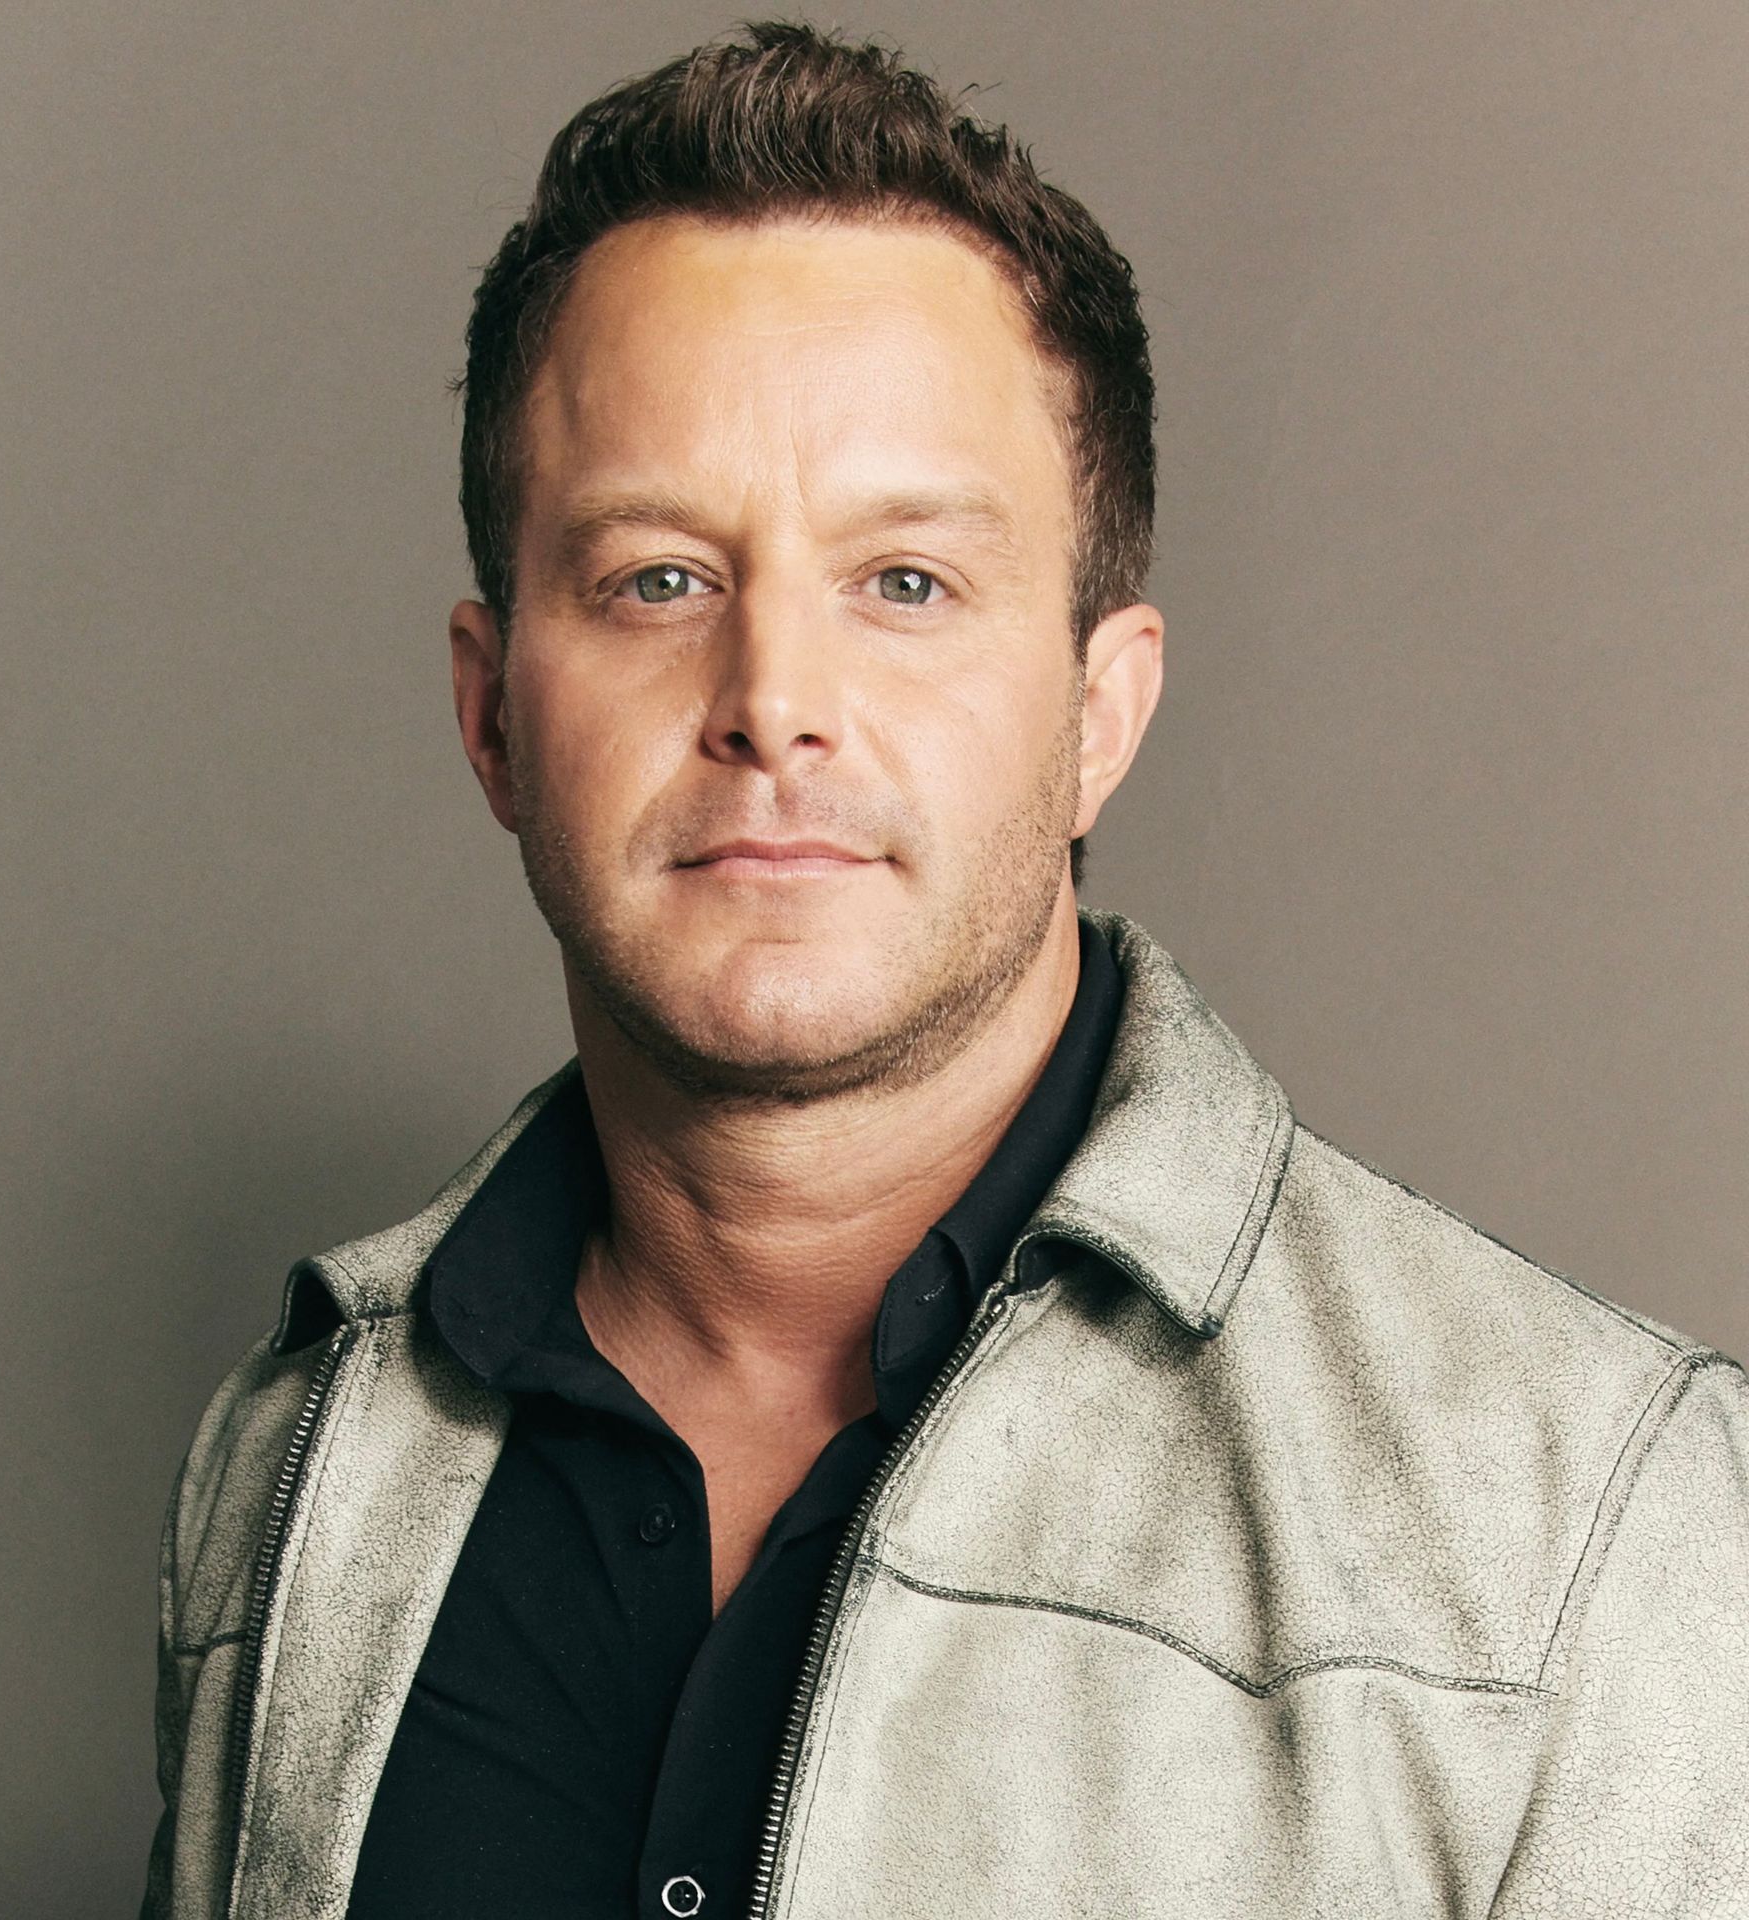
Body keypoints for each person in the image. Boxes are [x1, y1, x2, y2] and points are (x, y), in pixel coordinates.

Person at [141, 22, 1749, 1919]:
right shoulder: (298, 1447)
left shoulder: (1594, 1523)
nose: (774, 705)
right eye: (659, 578)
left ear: (1097, 710)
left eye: (905, 583)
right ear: (495, 716)